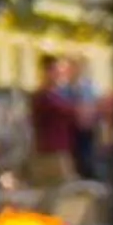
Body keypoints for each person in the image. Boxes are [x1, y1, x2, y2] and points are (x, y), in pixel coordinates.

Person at [26, 55, 82, 186]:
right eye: (55, 71)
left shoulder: (55, 95)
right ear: (46, 72)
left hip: (58, 150)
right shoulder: (43, 96)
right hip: (51, 153)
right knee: (65, 190)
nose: (58, 75)